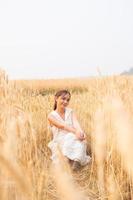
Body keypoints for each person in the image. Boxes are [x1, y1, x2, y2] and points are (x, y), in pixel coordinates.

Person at [47, 89, 91, 170]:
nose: (66, 102)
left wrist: (81, 132)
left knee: (81, 140)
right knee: (70, 137)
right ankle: (68, 161)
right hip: (60, 139)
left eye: (68, 100)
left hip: (73, 136)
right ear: (56, 98)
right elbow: (62, 126)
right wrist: (76, 132)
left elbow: (76, 123)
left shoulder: (70, 111)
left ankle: (76, 162)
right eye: (63, 99)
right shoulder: (51, 116)